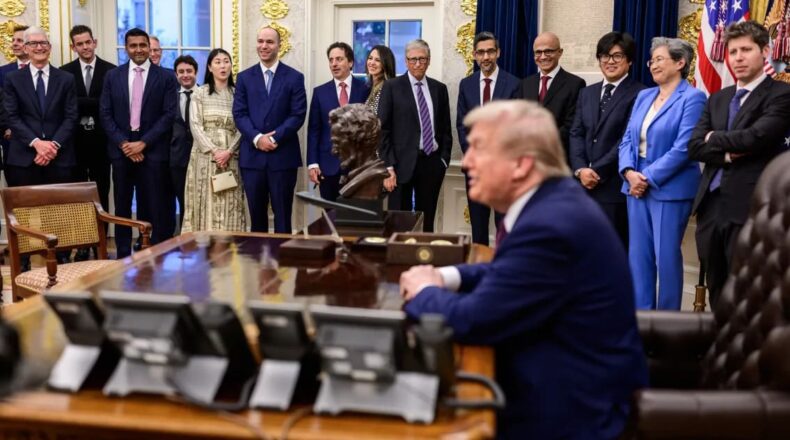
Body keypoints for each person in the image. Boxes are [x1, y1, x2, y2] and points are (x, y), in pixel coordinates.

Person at [400, 100, 647, 439]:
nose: (466, 160)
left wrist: (424, 292)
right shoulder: (552, 203)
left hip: (565, 415)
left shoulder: (550, 226)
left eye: (478, 148)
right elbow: (509, 272)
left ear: (522, 164)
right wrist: (444, 277)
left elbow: (477, 319)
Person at [689, 21, 790, 307]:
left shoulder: (781, 95)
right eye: (733, 52)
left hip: (751, 207)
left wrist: (713, 137)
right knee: (717, 289)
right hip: (711, 207)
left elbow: (755, 137)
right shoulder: (718, 98)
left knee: (748, 292)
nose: (738, 58)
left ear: (766, 51)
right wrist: (726, 153)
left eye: (746, 50)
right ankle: (721, 347)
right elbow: (694, 146)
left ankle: (743, 350)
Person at [618, 37, 706, 310]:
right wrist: (629, 172)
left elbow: (683, 148)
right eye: (651, 60)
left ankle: (668, 326)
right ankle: (642, 322)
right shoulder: (644, 95)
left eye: (659, 59)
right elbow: (627, 141)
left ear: (680, 63)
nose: (653, 64)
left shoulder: (693, 97)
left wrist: (646, 178)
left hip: (669, 188)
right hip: (634, 186)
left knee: (665, 258)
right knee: (639, 258)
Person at [100, 27, 178, 258]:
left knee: (152, 204)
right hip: (121, 150)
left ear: (149, 47)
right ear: (126, 48)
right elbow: (105, 113)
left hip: (152, 151)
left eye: (143, 45)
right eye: (133, 46)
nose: (138, 50)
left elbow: (169, 114)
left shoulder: (165, 77)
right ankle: (123, 253)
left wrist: (143, 143)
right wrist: (124, 143)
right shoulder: (113, 76)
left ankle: (151, 252)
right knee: (122, 205)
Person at [569, 32, 645, 247]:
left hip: (613, 188)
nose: (609, 61)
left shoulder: (641, 93)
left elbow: (627, 139)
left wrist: (597, 172)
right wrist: (580, 169)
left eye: (617, 56)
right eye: (604, 56)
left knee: (612, 253)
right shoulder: (587, 93)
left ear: (629, 61)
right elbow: (576, 133)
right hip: (581, 186)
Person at [233, 26, 307, 233]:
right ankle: (258, 263)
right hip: (252, 158)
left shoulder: (294, 77)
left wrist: (274, 139)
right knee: (256, 219)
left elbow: (298, 114)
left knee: (283, 217)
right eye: (260, 41)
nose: (264, 46)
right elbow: (239, 114)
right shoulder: (244, 78)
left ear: (279, 46)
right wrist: (257, 138)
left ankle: (282, 264)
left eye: (269, 42)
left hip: (282, 157)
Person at [378, 39, 452, 232]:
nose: (417, 64)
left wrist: (443, 160)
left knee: (427, 222)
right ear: (406, 61)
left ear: (429, 61)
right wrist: (388, 166)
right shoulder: (392, 87)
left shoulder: (439, 89)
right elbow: (382, 130)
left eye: (422, 59)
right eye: (413, 60)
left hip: (431, 163)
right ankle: (399, 259)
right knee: (399, 222)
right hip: (400, 165)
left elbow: (445, 130)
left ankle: (425, 256)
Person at [457, 31, 520, 245]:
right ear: (474, 55)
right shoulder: (466, 85)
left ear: (498, 53)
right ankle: (481, 270)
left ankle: (504, 269)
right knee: (478, 225)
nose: (486, 57)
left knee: (504, 225)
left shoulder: (513, 84)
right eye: (481, 52)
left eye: (490, 52)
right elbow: (462, 125)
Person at [181, 48, 247, 233]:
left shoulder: (238, 94)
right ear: (210, 67)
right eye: (217, 62)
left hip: (230, 158)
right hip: (204, 158)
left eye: (226, 61)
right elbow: (195, 125)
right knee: (205, 203)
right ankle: (204, 251)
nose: (222, 65)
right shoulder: (200, 94)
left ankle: (230, 253)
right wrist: (215, 151)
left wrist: (229, 151)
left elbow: (244, 125)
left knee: (230, 204)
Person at [3, 26, 78, 187]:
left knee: (59, 210)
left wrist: (52, 146)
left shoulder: (67, 79)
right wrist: (37, 143)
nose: (39, 47)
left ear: (49, 47)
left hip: (59, 156)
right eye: (33, 43)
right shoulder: (12, 79)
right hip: (24, 158)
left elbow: (71, 116)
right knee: (26, 211)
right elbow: (11, 116)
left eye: (43, 43)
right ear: (25, 48)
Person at [61, 25, 116, 215]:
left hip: (103, 143)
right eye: (80, 44)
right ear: (73, 47)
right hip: (74, 144)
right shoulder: (64, 73)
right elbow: (65, 106)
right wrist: (96, 103)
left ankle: (99, 241)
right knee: (76, 194)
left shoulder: (112, 71)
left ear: (95, 42)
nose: (85, 47)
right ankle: (82, 240)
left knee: (101, 192)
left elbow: (111, 106)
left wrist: (80, 102)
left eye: (88, 42)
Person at [307, 42, 370, 202]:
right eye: (331, 60)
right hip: (328, 166)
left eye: (339, 59)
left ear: (350, 62)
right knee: (330, 218)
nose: (334, 64)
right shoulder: (320, 92)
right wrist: (313, 163)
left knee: (355, 220)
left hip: (358, 167)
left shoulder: (365, 89)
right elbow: (314, 130)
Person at [519, 32, 585, 161]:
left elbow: (571, 125)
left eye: (548, 51)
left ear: (560, 52)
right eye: (538, 52)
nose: (543, 57)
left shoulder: (575, 84)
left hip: (557, 158)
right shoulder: (525, 84)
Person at [170, 55, 198, 232]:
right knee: (182, 201)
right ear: (175, 74)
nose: (185, 75)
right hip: (176, 158)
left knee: (198, 202)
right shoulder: (169, 96)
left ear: (196, 72)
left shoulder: (204, 93)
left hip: (200, 157)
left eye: (189, 71)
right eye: (181, 72)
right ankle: (182, 241)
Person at [0, 25, 30, 166]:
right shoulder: (2, 72)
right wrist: (7, 127)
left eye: (19, 40)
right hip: (10, 136)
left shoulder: (44, 70)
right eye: (13, 40)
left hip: (39, 138)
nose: (14, 44)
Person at [364, 45, 396, 114]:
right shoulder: (370, 87)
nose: (372, 63)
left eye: (377, 60)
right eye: (370, 58)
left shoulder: (386, 89)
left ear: (386, 64)